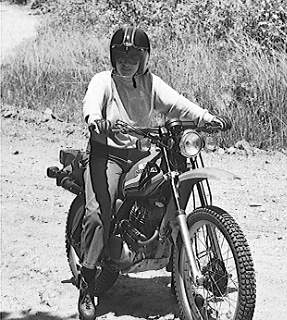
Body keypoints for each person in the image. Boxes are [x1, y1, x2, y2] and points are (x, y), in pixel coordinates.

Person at [79, 25, 231, 320]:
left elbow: (177, 103)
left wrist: (206, 118)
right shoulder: (104, 81)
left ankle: (168, 254)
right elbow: (91, 103)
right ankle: (87, 282)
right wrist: (95, 120)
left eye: (134, 56)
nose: (126, 61)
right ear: (113, 57)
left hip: (140, 154)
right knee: (99, 212)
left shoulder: (149, 83)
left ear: (144, 58)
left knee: (167, 184)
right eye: (121, 55)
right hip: (107, 155)